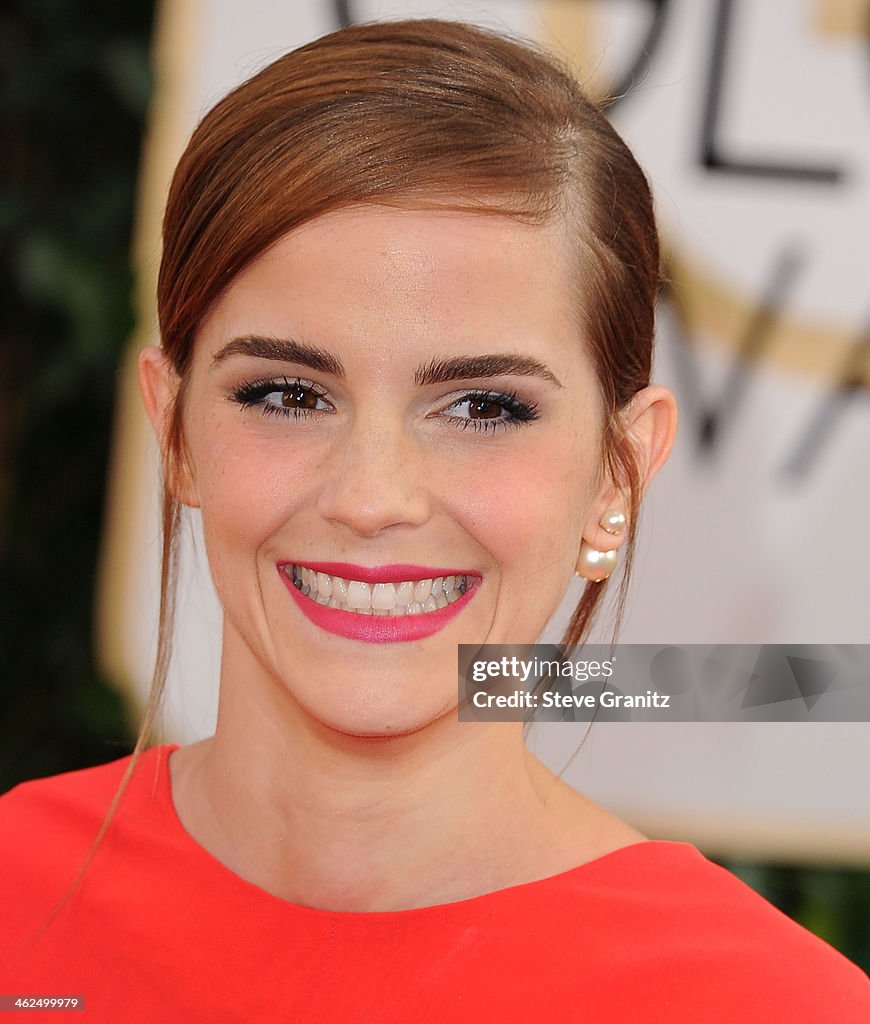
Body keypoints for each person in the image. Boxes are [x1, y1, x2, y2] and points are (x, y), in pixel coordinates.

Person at [0, 18, 867, 1022]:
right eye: (286, 393)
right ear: (175, 428)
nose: (373, 497)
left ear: (619, 472)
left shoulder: (765, 1003)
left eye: (485, 408)